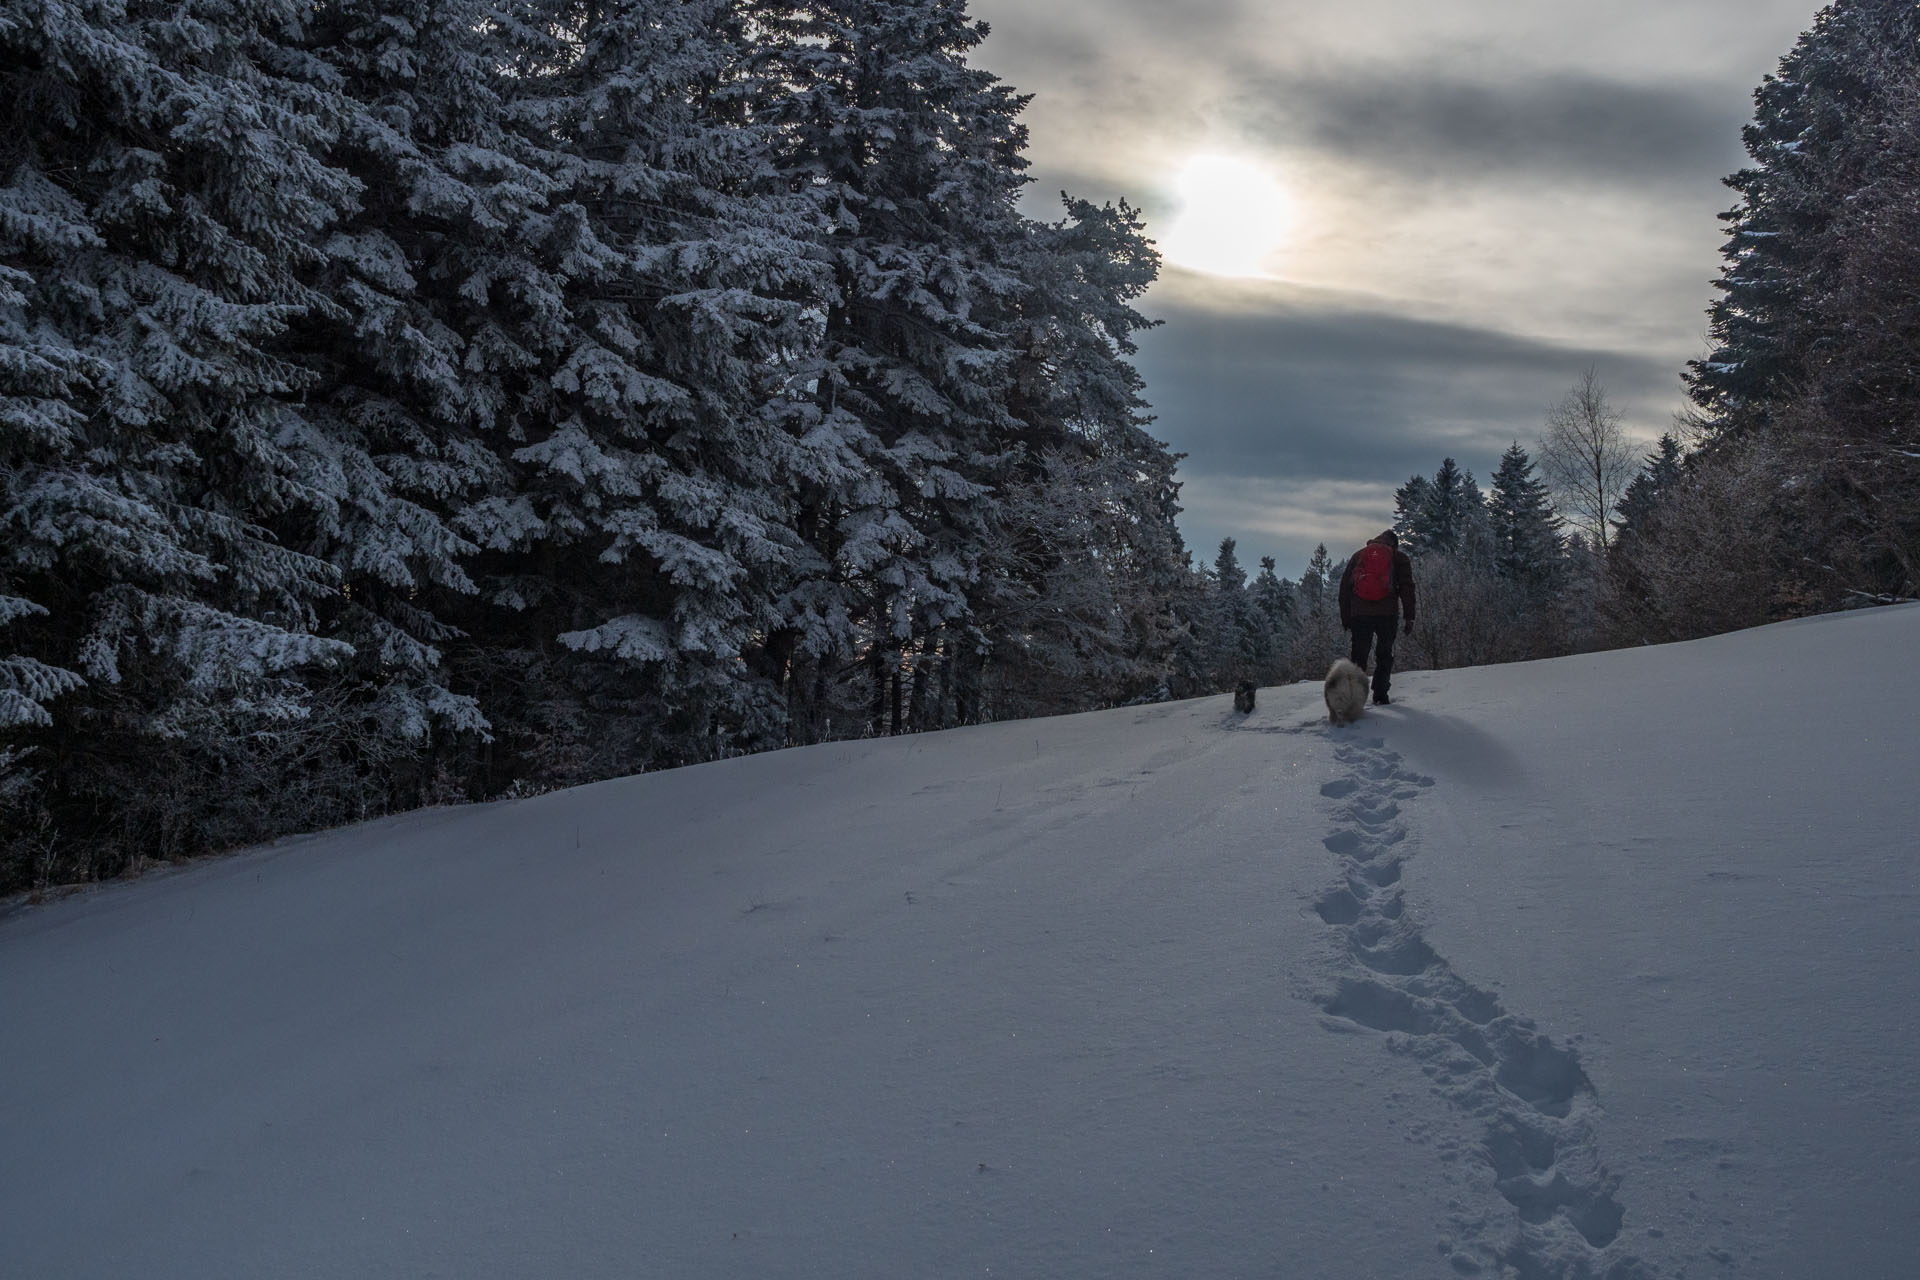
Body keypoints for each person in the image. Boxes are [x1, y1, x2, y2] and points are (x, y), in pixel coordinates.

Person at [1337, 529, 1416, 706]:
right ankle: (1380, 694)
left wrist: (1346, 617)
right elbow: (1407, 588)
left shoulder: (1359, 555)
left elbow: (1344, 589)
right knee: (1385, 655)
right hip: (1387, 614)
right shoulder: (1399, 557)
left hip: (1360, 613)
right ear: (1394, 544)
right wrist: (1409, 616)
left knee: (1359, 656)